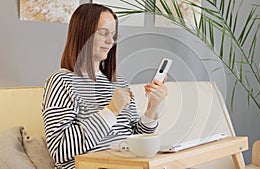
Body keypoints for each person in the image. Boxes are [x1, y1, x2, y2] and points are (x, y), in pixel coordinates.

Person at [42, 3, 168, 169]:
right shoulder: (61, 81)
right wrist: (111, 111)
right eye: (103, 33)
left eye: (113, 34)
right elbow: (60, 150)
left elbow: (135, 140)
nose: (110, 41)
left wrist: (152, 109)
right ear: (83, 34)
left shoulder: (119, 83)